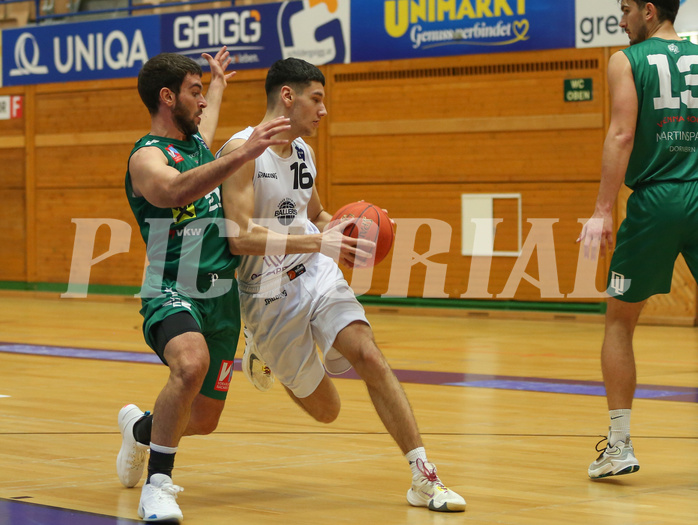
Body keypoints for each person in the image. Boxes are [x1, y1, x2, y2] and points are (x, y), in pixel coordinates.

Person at [216, 57, 466, 512]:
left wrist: (353, 233)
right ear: (287, 97)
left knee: (368, 354)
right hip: (266, 296)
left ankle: (423, 476)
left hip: (316, 274)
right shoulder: (242, 152)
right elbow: (238, 238)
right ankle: (256, 343)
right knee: (327, 410)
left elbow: (316, 217)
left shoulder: (305, 153)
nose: (323, 110)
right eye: (317, 99)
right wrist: (317, 241)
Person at [118, 47, 293, 523]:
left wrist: (216, 82)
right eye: (193, 93)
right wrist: (243, 153)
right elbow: (175, 190)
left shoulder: (195, 142)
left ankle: (139, 430)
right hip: (170, 289)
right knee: (190, 364)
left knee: (203, 419)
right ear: (167, 97)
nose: (202, 104)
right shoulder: (147, 158)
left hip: (220, 297)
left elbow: (206, 117)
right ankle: (158, 486)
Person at [578, 0, 698, 479]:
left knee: (619, 322)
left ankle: (620, 446)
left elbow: (622, 134)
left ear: (649, 11)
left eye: (626, 9)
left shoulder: (626, 59)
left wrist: (603, 210)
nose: (620, 18)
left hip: (656, 199)